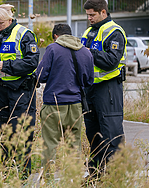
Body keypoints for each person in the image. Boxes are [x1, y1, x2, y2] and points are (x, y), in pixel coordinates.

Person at [0, 4, 40, 179]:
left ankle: (22, 175)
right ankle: (7, 170)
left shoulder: (24, 35)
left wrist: (6, 65)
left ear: (9, 20)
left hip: (21, 91)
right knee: (5, 131)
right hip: (1, 90)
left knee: (21, 132)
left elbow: (32, 62)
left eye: (0, 22)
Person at [37, 24, 94, 176]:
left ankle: (48, 180)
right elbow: (89, 81)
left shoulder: (52, 49)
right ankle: (73, 179)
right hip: (76, 105)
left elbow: (40, 76)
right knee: (74, 146)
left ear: (56, 36)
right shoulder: (85, 51)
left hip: (54, 105)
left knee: (49, 145)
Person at [81, 0, 127, 177]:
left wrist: (87, 51)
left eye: (92, 15)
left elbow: (110, 62)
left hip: (108, 90)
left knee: (111, 133)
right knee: (93, 134)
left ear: (103, 12)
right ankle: (96, 175)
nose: (89, 18)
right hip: (90, 89)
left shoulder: (114, 31)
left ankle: (116, 176)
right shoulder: (89, 31)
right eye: (88, 15)